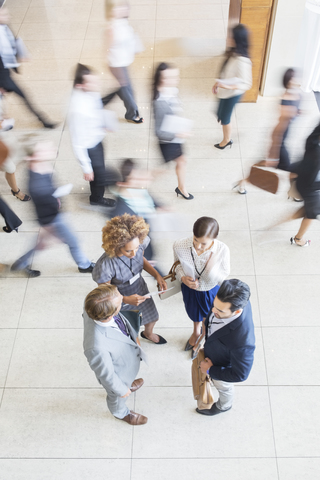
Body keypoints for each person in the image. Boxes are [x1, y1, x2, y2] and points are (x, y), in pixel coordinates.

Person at [11, 142, 95, 277]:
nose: (51, 149)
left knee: (41, 244)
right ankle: (84, 265)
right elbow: (43, 206)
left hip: (53, 215)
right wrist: (48, 228)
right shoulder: (37, 184)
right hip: (52, 218)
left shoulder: (40, 166)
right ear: (34, 156)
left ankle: (21, 262)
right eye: (45, 149)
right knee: (73, 241)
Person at [92, 213, 168, 344]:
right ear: (116, 245)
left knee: (153, 317)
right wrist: (126, 299)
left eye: (137, 248)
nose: (134, 254)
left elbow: (141, 260)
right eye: (128, 251)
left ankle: (148, 333)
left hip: (140, 288)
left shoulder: (137, 246)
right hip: (119, 299)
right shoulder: (105, 265)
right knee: (130, 328)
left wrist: (157, 275)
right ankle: (134, 341)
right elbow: (106, 294)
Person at [83, 284, 148, 425]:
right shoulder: (96, 347)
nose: (122, 298)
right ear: (111, 313)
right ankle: (120, 412)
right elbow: (107, 375)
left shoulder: (93, 304)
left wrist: (133, 337)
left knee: (124, 385)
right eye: (120, 302)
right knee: (117, 397)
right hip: (118, 377)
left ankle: (129, 383)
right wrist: (121, 389)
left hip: (125, 361)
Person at [235, 68, 301, 194]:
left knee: (269, 165)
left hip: (283, 140)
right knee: (290, 170)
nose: (298, 79)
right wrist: (273, 154)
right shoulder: (286, 101)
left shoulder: (295, 94)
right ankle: (296, 193)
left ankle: (242, 182)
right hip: (279, 141)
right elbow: (279, 130)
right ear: (288, 82)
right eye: (294, 78)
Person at [196, 279, 255, 416]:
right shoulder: (232, 298)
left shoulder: (242, 342)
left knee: (224, 388)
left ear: (237, 311)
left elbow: (241, 374)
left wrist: (211, 370)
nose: (213, 310)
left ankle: (224, 406)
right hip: (215, 349)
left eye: (220, 310)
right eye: (214, 305)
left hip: (221, 365)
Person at [173, 217, 230, 358]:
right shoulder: (180, 245)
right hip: (189, 288)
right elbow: (176, 265)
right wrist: (182, 277)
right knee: (193, 312)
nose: (197, 246)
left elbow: (225, 275)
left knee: (208, 317)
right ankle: (196, 332)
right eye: (195, 240)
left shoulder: (222, 250)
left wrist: (212, 272)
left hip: (209, 290)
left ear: (214, 238)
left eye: (203, 243)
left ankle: (203, 336)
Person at [68, 63, 119, 208]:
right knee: (97, 174)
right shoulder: (77, 109)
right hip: (89, 147)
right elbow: (77, 143)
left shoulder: (92, 92)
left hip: (97, 139)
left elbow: (96, 110)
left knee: (100, 172)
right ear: (80, 85)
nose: (96, 84)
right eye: (91, 82)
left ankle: (101, 181)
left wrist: (102, 125)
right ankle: (96, 199)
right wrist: (86, 167)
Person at [0, 6, 56, 129]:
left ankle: (5, 120)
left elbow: (12, 42)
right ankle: (43, 120)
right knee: (24, 96)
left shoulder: (5, 27)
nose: (8, 17)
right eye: (3, 15)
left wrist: (21, 55)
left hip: (6, 73)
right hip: (3, 77)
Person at [271, 122, 320, 247]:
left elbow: (314, 133)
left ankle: (295, 195)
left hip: (300, 174)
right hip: (310, 187)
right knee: (311, 214)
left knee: (293, 172)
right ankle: (298, 238)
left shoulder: (312, 144)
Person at [153, 62, 193, 200]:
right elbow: (157, 131)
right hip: (168, 140)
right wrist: (177, 134)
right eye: (173, 77)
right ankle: (180, 187)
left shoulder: (172, 90)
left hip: (176, 134)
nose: (178, 79)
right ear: (162, 79)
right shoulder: (159, 102)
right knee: (170, 166)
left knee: (182, 161)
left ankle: (181, 187)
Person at [102, 0, 143, 123]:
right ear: (112, 11)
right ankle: (132, 114)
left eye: (125, 7)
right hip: (116, 64)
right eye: (120, 8)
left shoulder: (124, 23)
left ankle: (97, 104)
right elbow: (107, 48)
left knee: (123, 88)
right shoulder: (111, 27)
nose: (124, 10)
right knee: (127, 90)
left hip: (123, 62)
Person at [212, 24, 252, 149]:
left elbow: (246, 84)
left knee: (224, 118)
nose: (228, 39)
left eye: (231, 37)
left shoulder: (242, 61)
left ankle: (227, 140)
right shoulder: (233, 52)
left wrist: (225, 86)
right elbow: (226, 71)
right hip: (225, 91)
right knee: (221, 114)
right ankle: (228, 129)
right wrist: (218, 83)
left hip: (232, 94)